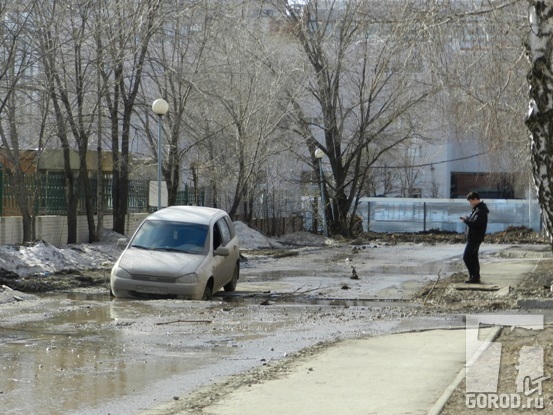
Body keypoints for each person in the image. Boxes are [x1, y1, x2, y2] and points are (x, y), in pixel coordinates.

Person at [460, 191, 489, 284]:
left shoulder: (480, 211)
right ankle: (475, 276)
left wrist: (466, 220)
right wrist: (468, 219)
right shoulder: (477, 210)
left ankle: (473, 276)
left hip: (475, 238)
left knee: (467, 257)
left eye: (471, 201)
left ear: (476, 199)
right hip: (474, 237)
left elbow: (476, 224)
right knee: (473, 257)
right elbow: (474, 222)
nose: (470, 203)